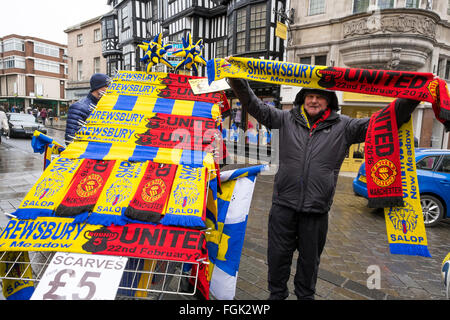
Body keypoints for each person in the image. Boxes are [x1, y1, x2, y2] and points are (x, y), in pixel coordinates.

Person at [226, 74, 420, 300]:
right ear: (302, 98)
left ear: (329, 101)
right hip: (283, 208)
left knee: (310, 264)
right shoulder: (284, 119)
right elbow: (253, 105)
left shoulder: (345, 126)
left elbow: (386, 119)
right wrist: (236, 79)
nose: (314, 100)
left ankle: (305, 297)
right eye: (310, 95)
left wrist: (414, 94)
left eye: (319, 96)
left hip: (316, 212)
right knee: (277, 259)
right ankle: (276, 296)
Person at [65, 73, 110, 144]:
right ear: (98, 88)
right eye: (107, 86)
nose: (109, 89)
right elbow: (70, 139)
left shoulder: (104, 106)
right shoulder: (78, 107)